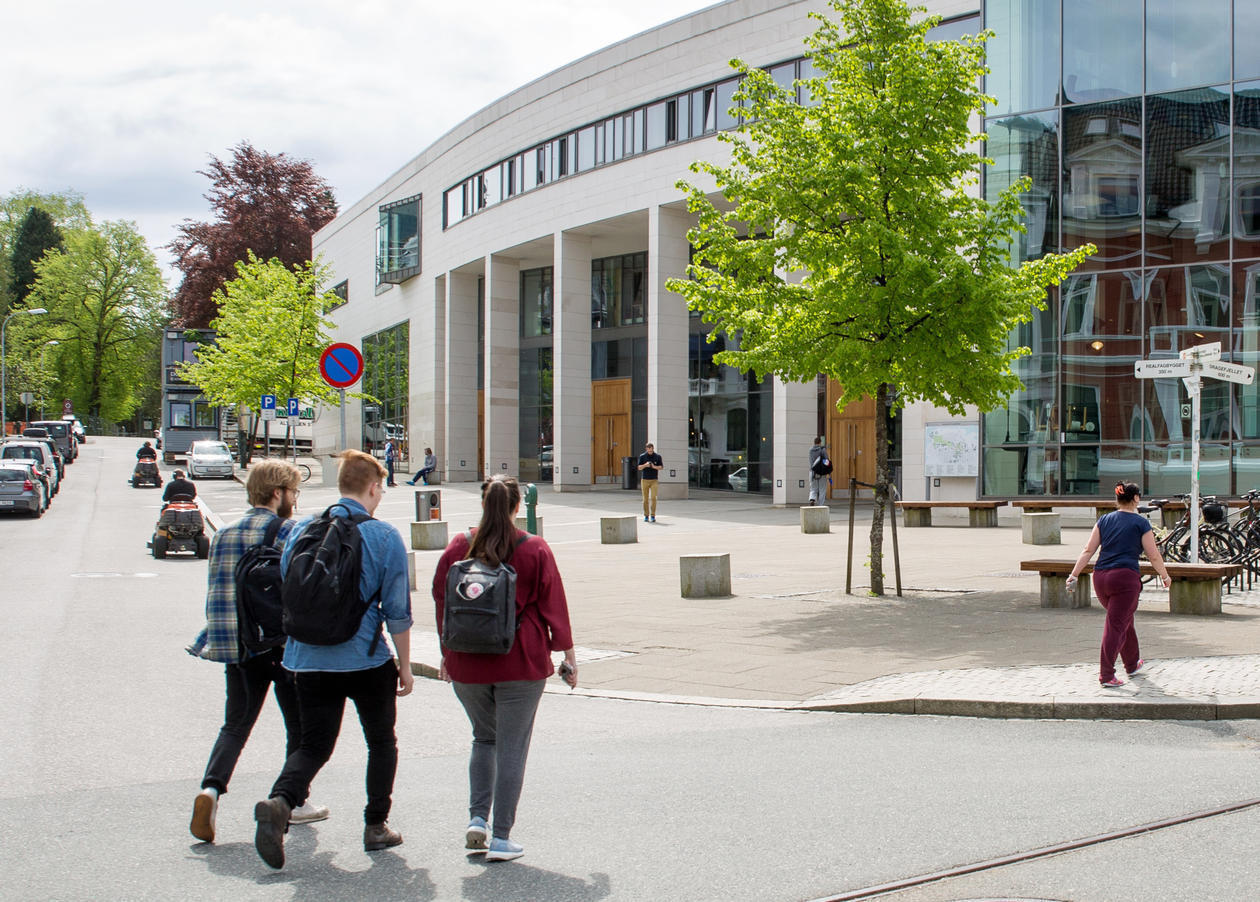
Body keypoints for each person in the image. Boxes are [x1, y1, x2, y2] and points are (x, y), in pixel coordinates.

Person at [253, 449, 414, 870]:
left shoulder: (301, 529)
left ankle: (280, 802)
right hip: (364, 659)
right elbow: (396, 611)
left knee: (314, 745)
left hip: (305, 658)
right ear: (374, 487)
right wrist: (406, 665)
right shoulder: (383, 537)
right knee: (381, 742)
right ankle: (376, 826)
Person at [432, 475, 577, 862]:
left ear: (483, 504)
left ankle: (476, 819)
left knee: (484, 739)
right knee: (512, 748)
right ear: (518, 506)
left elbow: (441, 598)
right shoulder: (534, 549)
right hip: (520, 660)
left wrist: (447, 652)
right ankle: (501, 837)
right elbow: (554, 605)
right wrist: (568, 656)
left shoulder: (459, 547)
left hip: (466, 661)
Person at [187, 460, 329, 843]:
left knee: (235, 725)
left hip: (239, 646)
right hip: (282, 645)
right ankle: (293, 801)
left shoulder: (224, 533)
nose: (294, 500)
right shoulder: (290, 532)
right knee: (298, 727)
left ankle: (211, 790)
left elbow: (218, 596)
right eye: (293, 492)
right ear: (278, 492)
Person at [1065, 481, 1172, 688]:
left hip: (1101, 578)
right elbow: (1154, 556)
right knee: (1116, 626)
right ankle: (1107, 675)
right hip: (1125, 579)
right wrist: (1165, 577)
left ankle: (1132, 663)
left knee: (1124, 620)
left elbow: (1088, 550)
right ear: (1136, 499)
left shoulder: (1104, 520)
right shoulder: (1141, 523)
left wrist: (1074, 574)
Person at [637, 441, 663, 522]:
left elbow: (661, 467)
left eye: (651, 450)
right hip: (644, 479)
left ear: (653, 449)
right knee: (645, 499)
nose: (650, 452)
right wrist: (645, 465)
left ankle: (653, 515)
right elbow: (639, 467)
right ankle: (646, 515)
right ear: (646, 449)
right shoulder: (642, 456)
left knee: (653, 498)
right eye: (648, 451)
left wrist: (654, 466)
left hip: (654, 480)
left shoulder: (657, 456)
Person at [808, 437, 829, 505]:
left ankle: (812, 499)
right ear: (820, 442)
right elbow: (827, 461)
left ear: (814, 442)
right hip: (821, 473)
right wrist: (828, 471)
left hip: (812, 472)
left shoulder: (810, 450)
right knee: (822, 489)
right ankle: (820, 504)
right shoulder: (822, 450)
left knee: (813, 488)